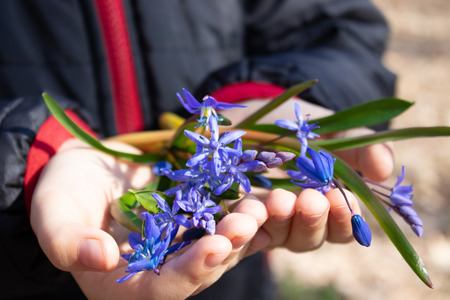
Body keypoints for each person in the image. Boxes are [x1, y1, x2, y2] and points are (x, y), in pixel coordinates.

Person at [0, 0, 395, 299]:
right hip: (25, 269)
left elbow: (333, 30)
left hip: (234, 283)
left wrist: (265, 102)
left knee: (223, 237)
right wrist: (25, 164)